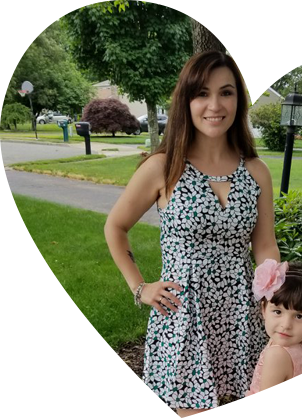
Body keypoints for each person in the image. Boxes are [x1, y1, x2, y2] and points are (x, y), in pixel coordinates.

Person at [104, 50, 280, 416]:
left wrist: (272, 296)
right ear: (186, 101)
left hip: (240, 313)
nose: (215, 105)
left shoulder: (257, 171)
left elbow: (264, 244)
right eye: (202, 93)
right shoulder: (163, 167)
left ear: (238, 100)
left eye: (226, 92)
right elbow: (115, 227)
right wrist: (140, 287)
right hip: (184, 316)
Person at [248, 259, 302, 394]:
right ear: (264, 309)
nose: (286, 325)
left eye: (299, 316)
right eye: (277, 312)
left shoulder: (277, 355)